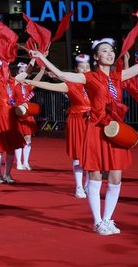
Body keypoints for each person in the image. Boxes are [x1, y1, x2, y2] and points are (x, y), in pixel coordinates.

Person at [30, 26, 138, 235]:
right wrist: (42, 57)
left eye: (111, 50)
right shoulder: (89, 77)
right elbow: (60, 74)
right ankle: (97, 221)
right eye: (104, 51)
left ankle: (108, 219)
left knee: (115, 176)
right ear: (96, 57)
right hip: (96, 129)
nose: (110, 53)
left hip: (115, 131)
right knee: (95, 175)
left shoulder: (117, 76)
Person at [17, 54, 92, 198]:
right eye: (82, 67)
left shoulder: (95, 82)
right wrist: (31, 81)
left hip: (92, 121)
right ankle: (79, 187)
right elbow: (51, 85)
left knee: (91, 155)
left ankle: (89, 184)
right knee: (78, 155)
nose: (86, 70)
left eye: (88, 67)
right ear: (76, 70)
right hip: (78, 121)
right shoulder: (69, 85)